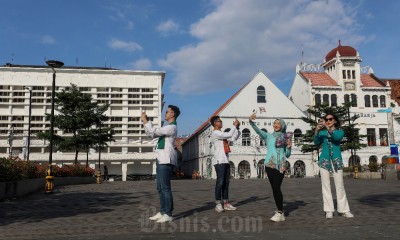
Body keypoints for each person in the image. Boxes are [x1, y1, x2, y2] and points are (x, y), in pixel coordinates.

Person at [249, 112, 292, 222]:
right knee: (274, 188)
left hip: (281, 165)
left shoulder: (286, 136)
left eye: (278, 123)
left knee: (277, 187)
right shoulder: (268, 136)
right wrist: (251, 122)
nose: (276, 125)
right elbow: (258, 131)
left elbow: (287, 154)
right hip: (269, 164)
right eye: (274, 123)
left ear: (282, 125)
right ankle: (279, 210)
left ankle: (280, 212)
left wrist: (289, 147)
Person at [141, 105, 180, 223]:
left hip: (166, 159)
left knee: (165, 188)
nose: (165, 113)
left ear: (173, 114)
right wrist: (146, 122)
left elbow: (153, 132)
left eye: (167, 112)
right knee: (160, 188)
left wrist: (145, 121)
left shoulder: (171, 128)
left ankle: (168, 213)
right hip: (161, 159)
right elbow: (151, 133)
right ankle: (163, 211)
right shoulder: (167, 127)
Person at [314, 112, 354, 219]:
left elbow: (336, 138)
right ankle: (329, 210)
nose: (328, 121)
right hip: (324, 160)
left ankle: (344, 210)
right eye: (326, 120)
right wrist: (317, 130)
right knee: (325, 186)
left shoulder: (340, 131)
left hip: (336, 160)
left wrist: (327, 128)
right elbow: (316, 142)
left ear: (335, 120)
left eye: (330, 119)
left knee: (339, 185)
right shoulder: (322, 133)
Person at [210, 116, 240, 212]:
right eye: (220, 121)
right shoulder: (215, 133)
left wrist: (237, 128)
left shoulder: (222, 135)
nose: (221, 122)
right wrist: (234, 126)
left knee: (226, 183)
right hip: (219, 161)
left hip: (226, 160)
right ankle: (218, 203)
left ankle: (226, 203)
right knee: (220, 182)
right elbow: (229, 134)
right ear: (215, 123)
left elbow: (233, 137)